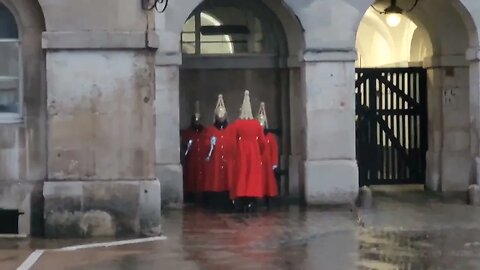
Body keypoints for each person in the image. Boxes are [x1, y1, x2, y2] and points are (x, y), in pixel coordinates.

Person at [229, 90, 266, 212]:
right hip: (254, 151)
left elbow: (232, 142)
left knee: (242, 176)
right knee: (252, 177)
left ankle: (242, 200)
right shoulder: (256, 124)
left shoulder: (237, 124)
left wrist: (234, 154)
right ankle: (251, 201)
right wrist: (259, 153)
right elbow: (262, 142)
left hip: (241, 152)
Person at [203, 94, 235, 211]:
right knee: (215, 182)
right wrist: (210, 144)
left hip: (228, 161)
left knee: (228, 182)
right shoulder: (210, 130)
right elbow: (206, 145)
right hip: (215, 162)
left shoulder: (231, 129)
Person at [181, 101, 207, 203]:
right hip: (192, 159)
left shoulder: (204, 131)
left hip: (202, 160)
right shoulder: (188, 133)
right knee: (191, 178)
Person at [257, 102, 279, 207]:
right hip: (258, 162)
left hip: (268, 163)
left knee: (268, 184)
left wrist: (274, 164)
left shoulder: (271, 137)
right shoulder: (256, 136)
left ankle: (269, 200)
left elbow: (274, 151)